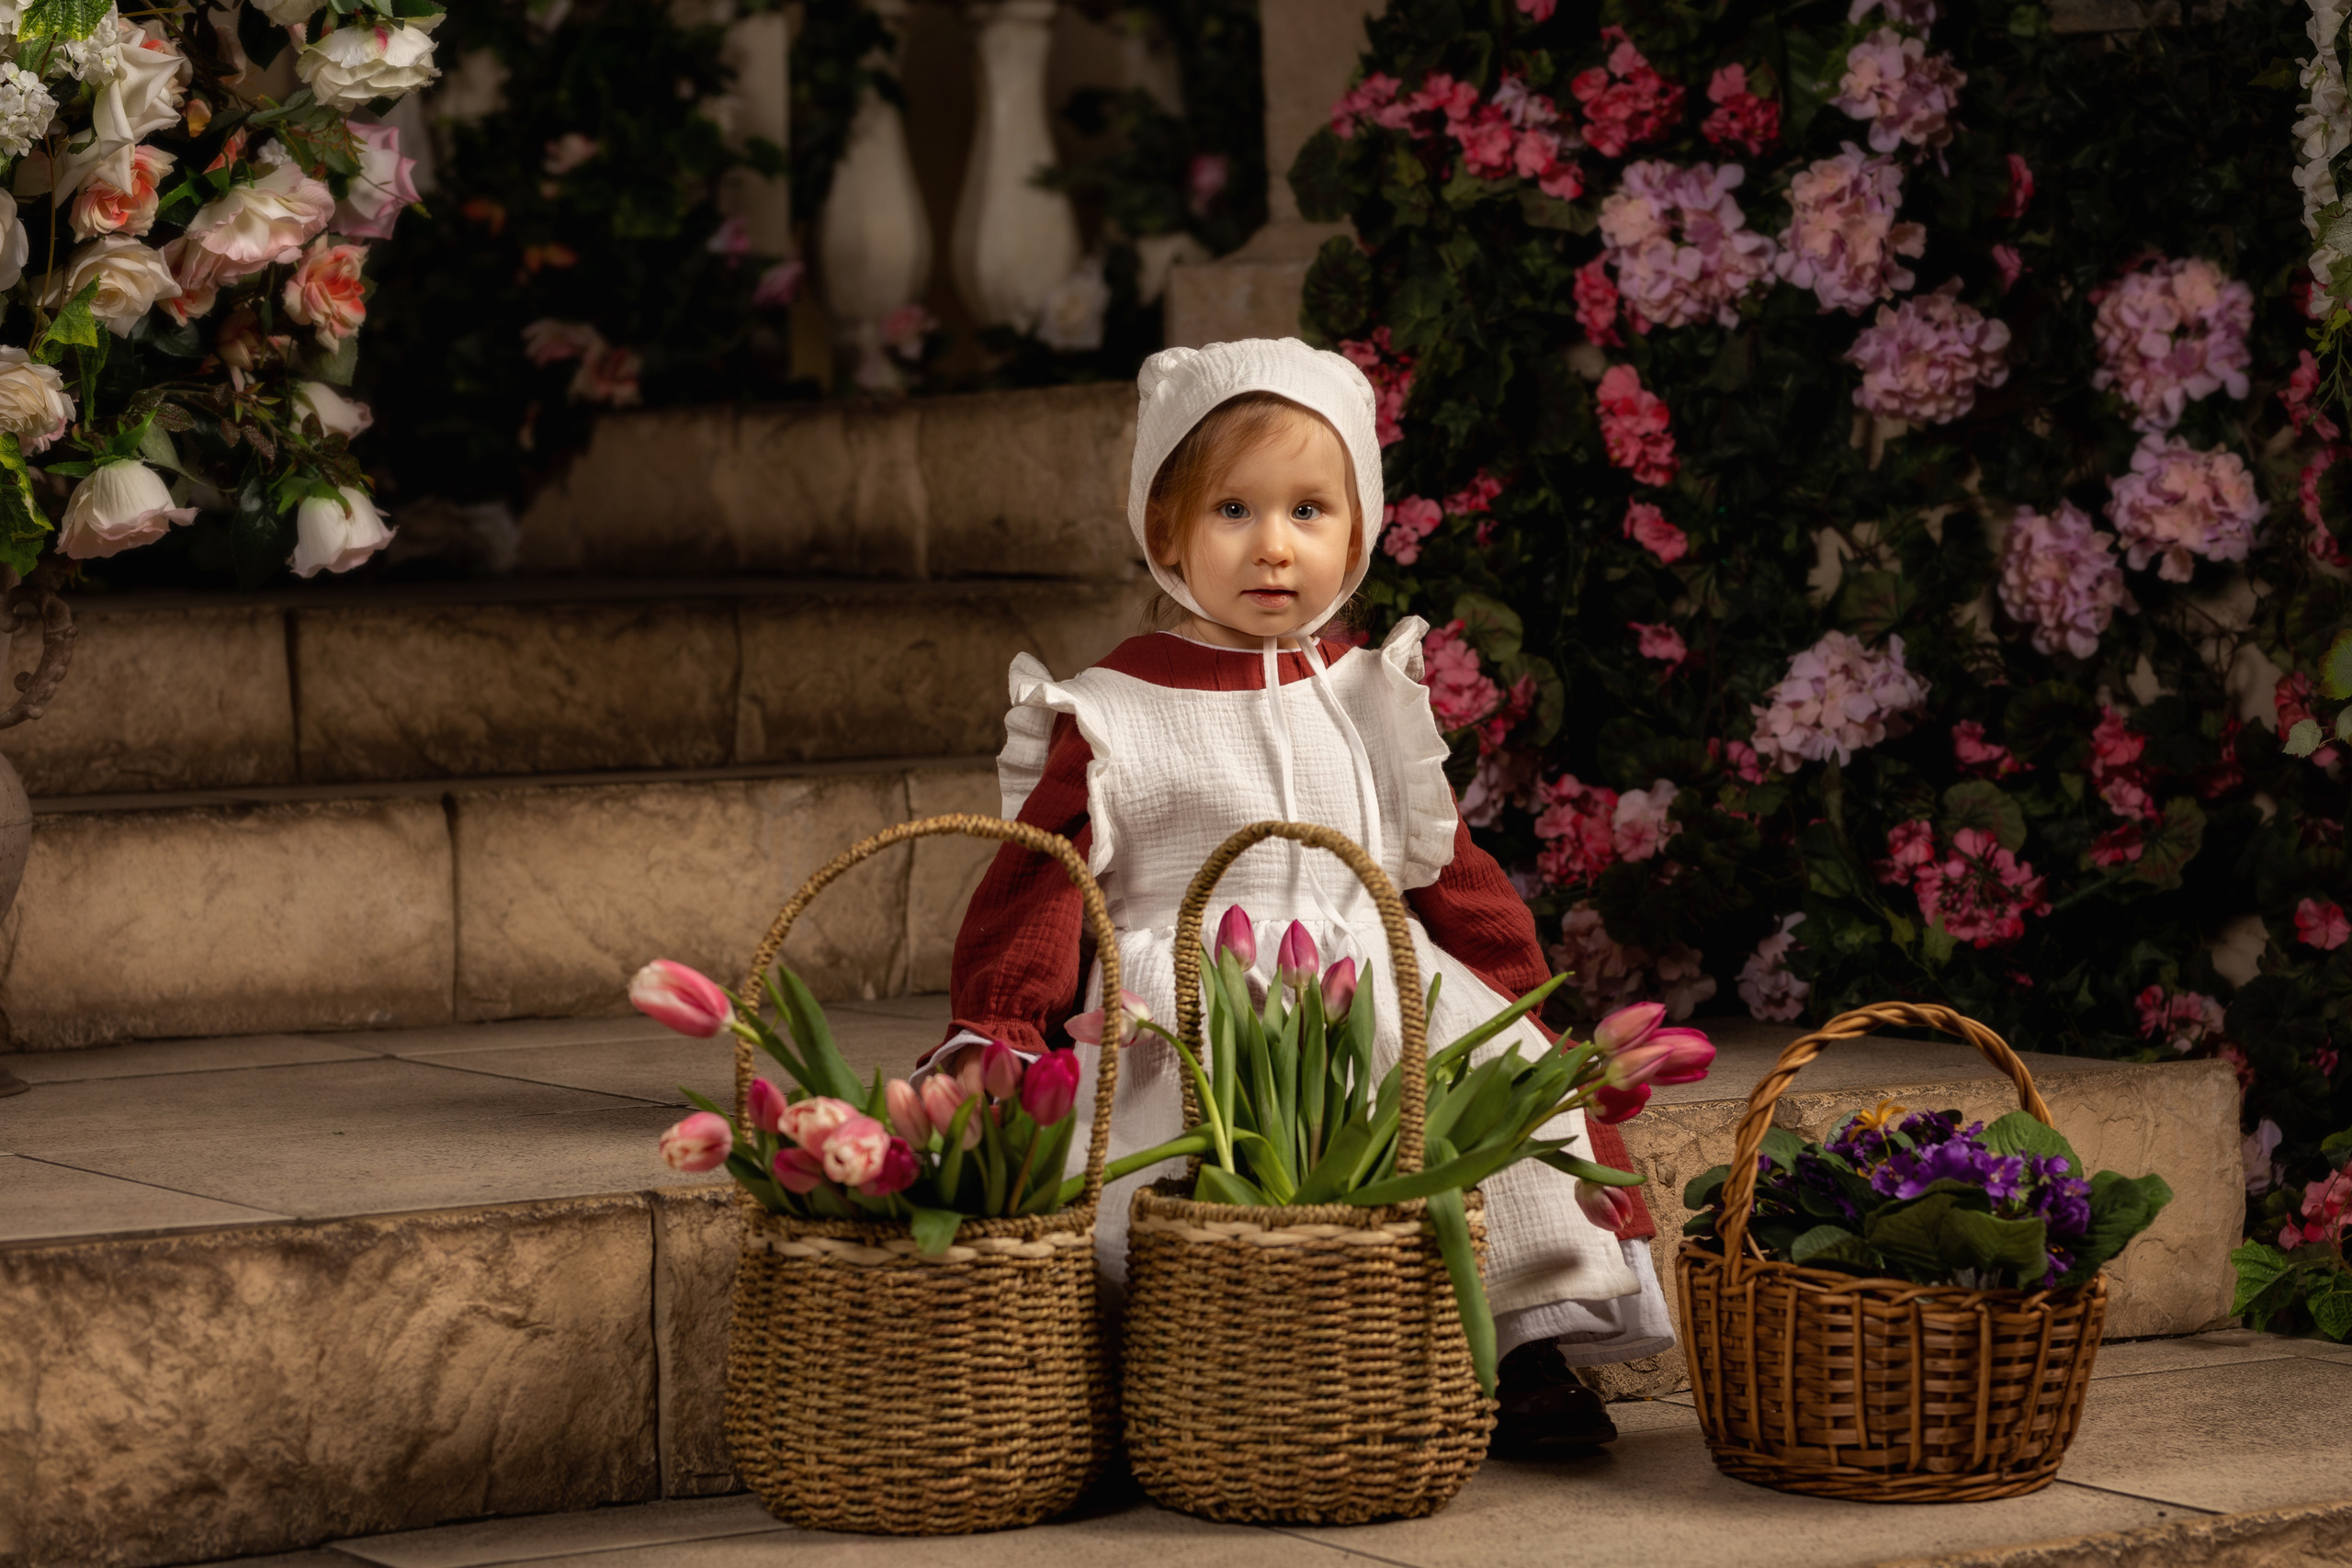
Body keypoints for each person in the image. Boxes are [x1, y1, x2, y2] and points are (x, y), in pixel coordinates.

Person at [930, 337, 1671, 1452]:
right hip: (1184, 1002)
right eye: (1233, 509)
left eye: (1311, 512)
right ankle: (1178, 1374)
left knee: (1479, 1110)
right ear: (1165, 530)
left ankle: (1509, 1351)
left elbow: (1448, 874)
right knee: (1181, 1181)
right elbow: (1040, 887)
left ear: (1357, 532)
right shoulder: (1111, 712)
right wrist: (1003, 1026)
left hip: (1364, 976)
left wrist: (1527, 1009)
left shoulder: (1372, 693)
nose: (1274, 548)